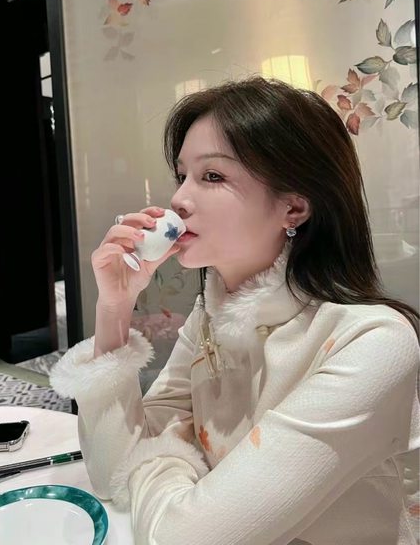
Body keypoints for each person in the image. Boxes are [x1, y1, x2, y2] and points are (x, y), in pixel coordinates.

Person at [50, 76, 420, 545]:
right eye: (182, 175)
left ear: (294, 209)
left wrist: (166, 455)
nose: (178, 200)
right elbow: (110, 474)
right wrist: (114, 308)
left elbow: (182, 538)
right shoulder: (211, 316)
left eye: (212, 176)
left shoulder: (371, 343)